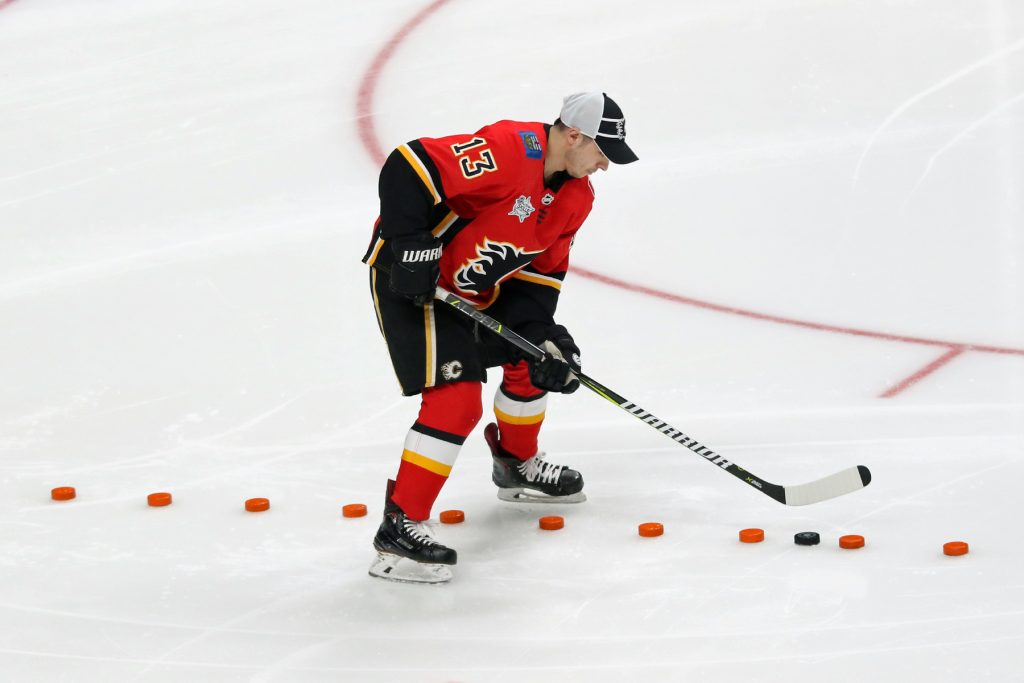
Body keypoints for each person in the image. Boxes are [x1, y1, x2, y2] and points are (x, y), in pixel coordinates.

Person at [362, 92, 638, 583]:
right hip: (417, 286)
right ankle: (400, 525)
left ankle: (516, 464)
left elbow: (538, 278)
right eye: (602, 152)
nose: (604, 165)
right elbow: (409, 166)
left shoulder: (577, 199)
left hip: (480, 289)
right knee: (456, 401)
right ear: (574, 136)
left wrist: (543, 335)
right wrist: (409, 244)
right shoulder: (510, 149)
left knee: (534, 361)